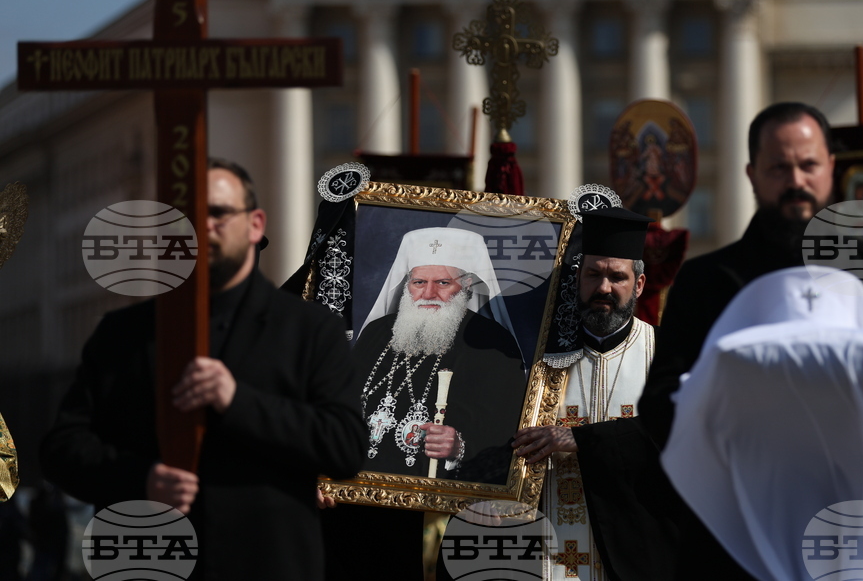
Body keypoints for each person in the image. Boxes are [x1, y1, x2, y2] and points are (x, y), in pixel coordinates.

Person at [639, 101, 863, 579]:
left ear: (830, 168)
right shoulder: (707, 282)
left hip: (859, 537)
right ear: (752, 173)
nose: (796, 180)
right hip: (738, 543)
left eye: (808, 165)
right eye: (779, 167)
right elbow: (660, 407)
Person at [40, 158, 366, 581]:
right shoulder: (122, 333)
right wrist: (142, 479)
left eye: (218, 213)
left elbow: (344, 446)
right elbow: (62, 448)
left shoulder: (309, 329)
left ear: (254, 225)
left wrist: (238, 401)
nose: (202, 227)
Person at [512, 207, 673, 581]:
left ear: (640, 285)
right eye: (593, 274)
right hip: (546, 561)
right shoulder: (535, 358)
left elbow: (683, 435)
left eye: (617, 277)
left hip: (641, 556)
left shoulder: (668, 355)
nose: (603, 288)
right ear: (578, 278)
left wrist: (582, 439)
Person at [353, 226, 525, 481]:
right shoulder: (376, 333)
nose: (428, 294)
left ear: (466, 284)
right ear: (407, 285)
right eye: (419, 283)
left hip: (435, 499)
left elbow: (504, 429)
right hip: (355, 491)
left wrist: (459, 447)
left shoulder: (491, 342)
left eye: (443, 283)